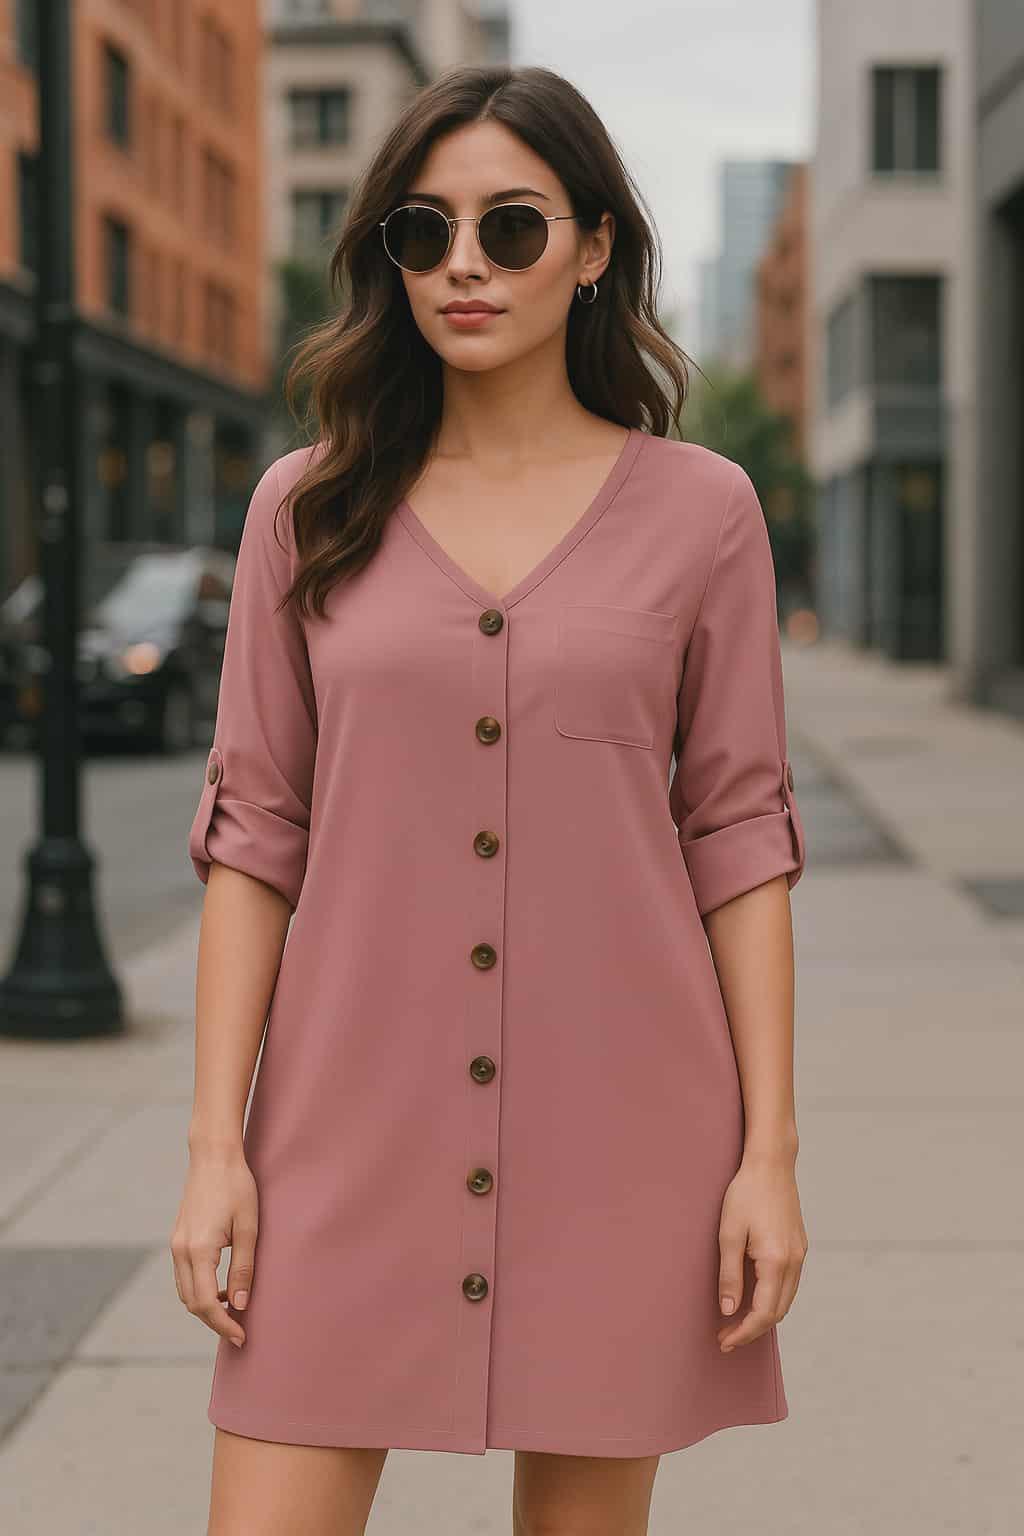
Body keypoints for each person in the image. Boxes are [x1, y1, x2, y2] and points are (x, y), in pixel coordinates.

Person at [171, 63, 809, 1536]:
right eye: (422, 231)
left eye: (511, 228)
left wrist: (767, 1158)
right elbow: (255, 834)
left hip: (626, 1141)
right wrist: (218, 1152)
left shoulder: (705, 513)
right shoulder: (308, 508)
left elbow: (740, 840)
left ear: (592, 248)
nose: (464, 265)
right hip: (343, 1136)